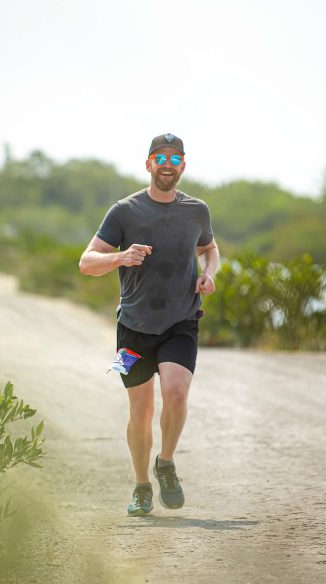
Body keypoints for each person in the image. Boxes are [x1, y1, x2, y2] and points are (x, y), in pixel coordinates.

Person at [79, 133, 220, 516]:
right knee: (139, 411)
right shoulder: (124, 211)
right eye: (160, 157)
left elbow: (209, 247)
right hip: (132, 328)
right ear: (148, 164)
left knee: (176, 392)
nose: (167, 165)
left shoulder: (196, 210)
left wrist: (209, 272)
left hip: (182, 321)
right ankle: (141, 485)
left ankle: (166, 463)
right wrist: (122, 257)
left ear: (183, 167)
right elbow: (86, 262)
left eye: (175, 159)